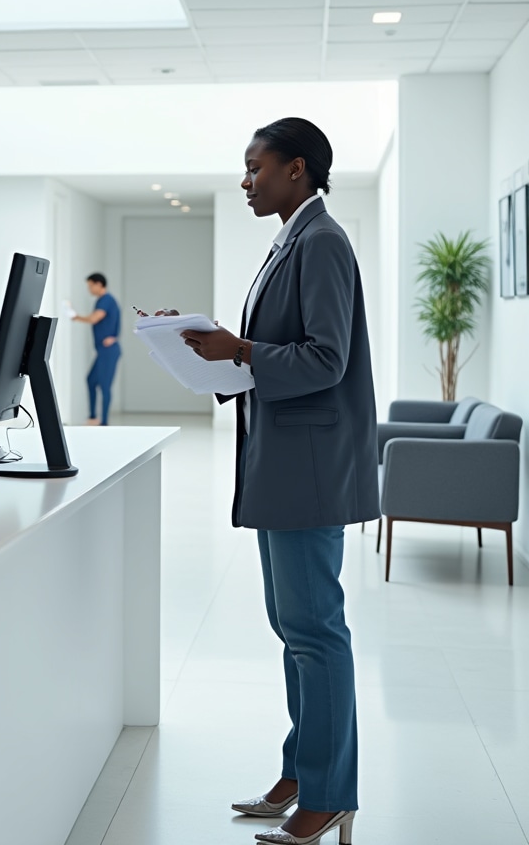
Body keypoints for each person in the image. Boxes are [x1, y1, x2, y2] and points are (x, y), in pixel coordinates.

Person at [159, 118, 378, 845]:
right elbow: (276, 353)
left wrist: (242, 348)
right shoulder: (292, 240)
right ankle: (301, 772)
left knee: (316, 633)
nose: (246, 180)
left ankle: (328, 793)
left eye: (255, 167)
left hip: (309, 471)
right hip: (285, 465)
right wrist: (208, 347)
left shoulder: (321, 242)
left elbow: (325, 360)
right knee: (295, 632)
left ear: (298, 169)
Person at [72, 272, 121, 426]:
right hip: (103, 350)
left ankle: (104, 422)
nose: (89, 289)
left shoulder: (106, 300)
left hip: (109, 351)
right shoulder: (105, 301)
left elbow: (94, 318)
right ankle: (93, 417)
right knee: (91, 380)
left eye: (90, 285)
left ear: (99, 284)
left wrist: (76, 317)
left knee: (105, 386)